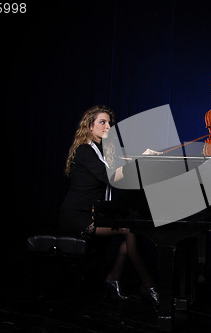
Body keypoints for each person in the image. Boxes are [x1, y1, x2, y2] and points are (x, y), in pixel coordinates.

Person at [59, 105, 158, 304]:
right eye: (102, 122)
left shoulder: (104, 151)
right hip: (77, 216)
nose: (107, 127)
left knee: (129, 237)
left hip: (97, 213)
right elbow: (110, 176)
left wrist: (145, 155)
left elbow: (124, 161)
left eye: (109, 123)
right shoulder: (85, 151)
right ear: (89, 125)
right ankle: (149, 286)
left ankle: (113, 279)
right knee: (129, 231)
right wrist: (137, 161)